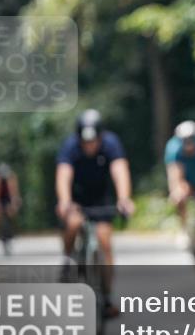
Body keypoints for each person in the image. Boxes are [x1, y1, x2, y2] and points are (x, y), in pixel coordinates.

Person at [55, 109, 135, 318]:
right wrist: (64, 201)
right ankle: (67, 260)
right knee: (72, 225)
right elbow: (64, 175)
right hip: (77, 197)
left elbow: (120, 171)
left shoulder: (111, 143)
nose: (89, 146)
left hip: (102, 198)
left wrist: (124, 198)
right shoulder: (70, 146)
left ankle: (107, 296)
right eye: (85, 142)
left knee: (104, 242)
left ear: (100, 137)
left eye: (93, 142)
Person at [0, 163, 21, 254]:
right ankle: (1, 236)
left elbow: (14, 191)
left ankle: (11, 234)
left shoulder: (12, 177)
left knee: (10, 217)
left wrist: (14, 204)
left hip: (8, 198)